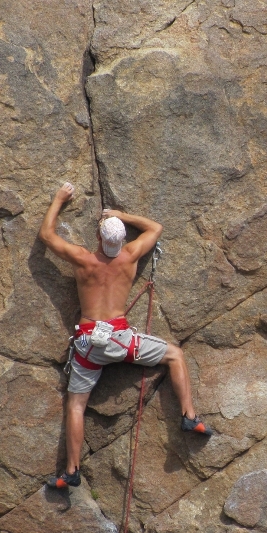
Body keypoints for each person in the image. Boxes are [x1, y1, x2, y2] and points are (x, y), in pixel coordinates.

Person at [38, 182, 214, 490]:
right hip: (121, 342)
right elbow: (156, 227)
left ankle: (71, 471)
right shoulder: (131, 255)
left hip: (88, 345)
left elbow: (47, 236)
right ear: (121, 242)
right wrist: (122, 215)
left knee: (76, 405)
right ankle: (189, 416)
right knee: (175, 355)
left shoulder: (83, 259)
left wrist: (59, 199)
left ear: (97, 238)